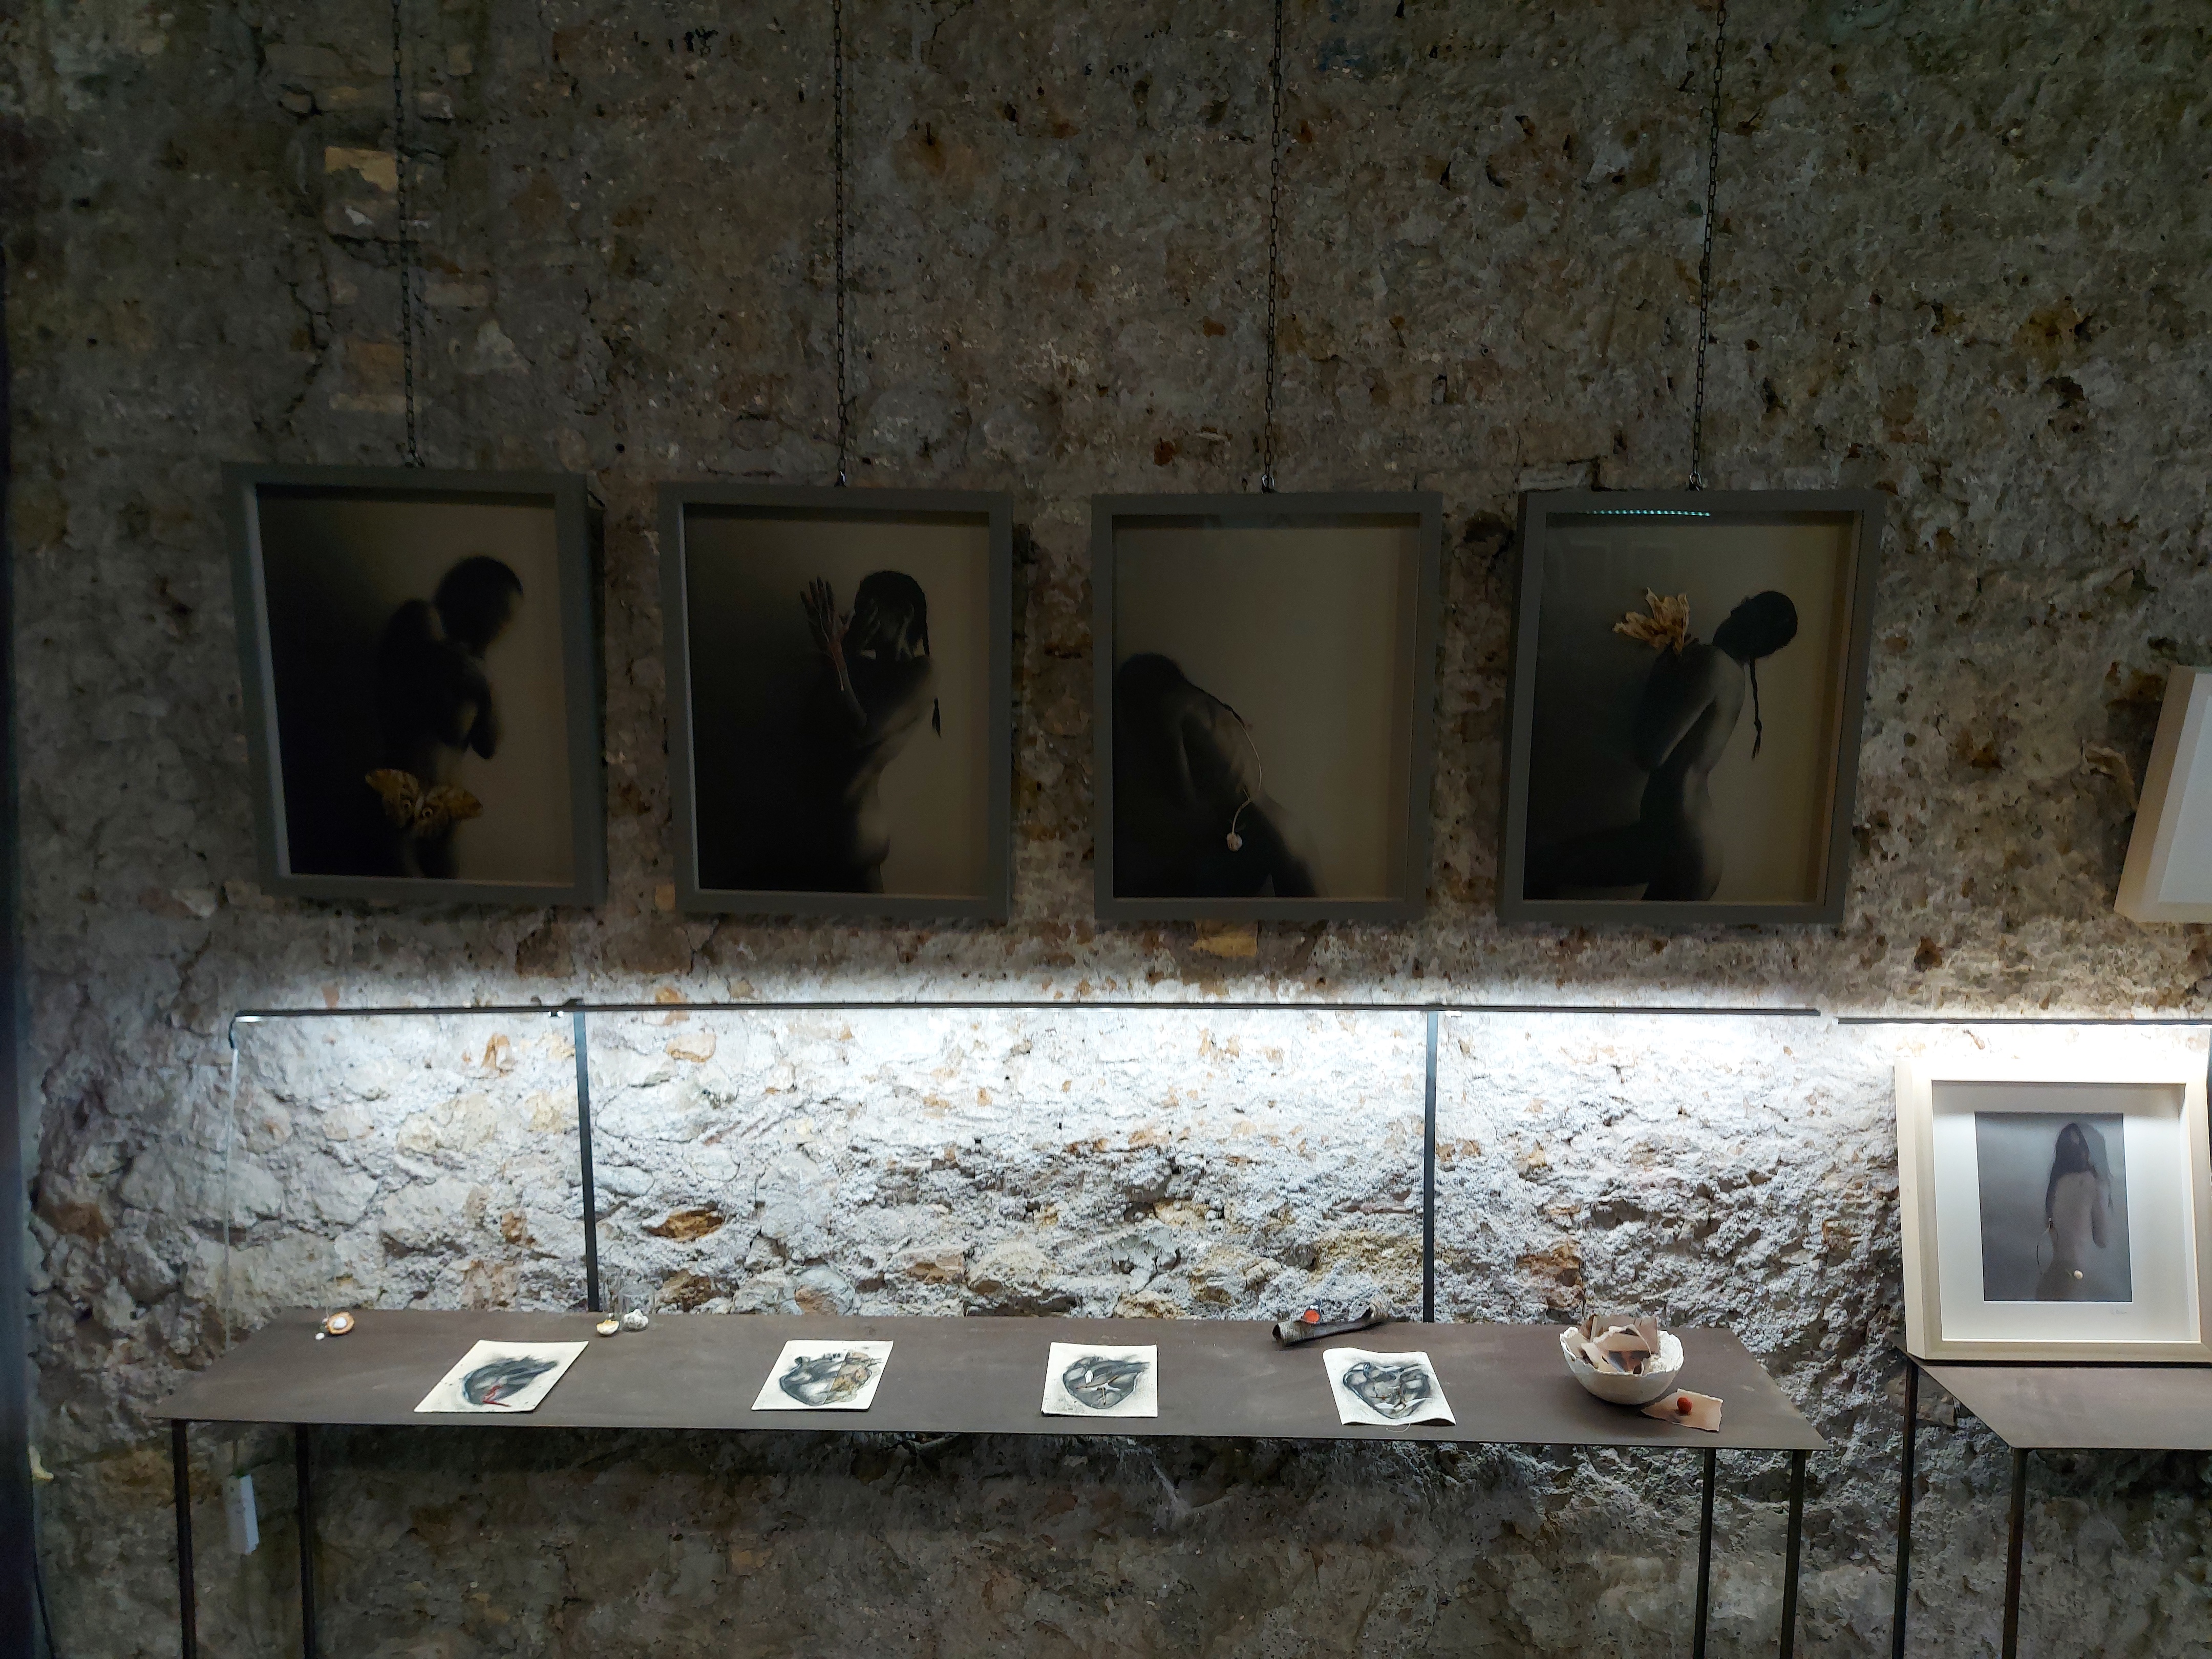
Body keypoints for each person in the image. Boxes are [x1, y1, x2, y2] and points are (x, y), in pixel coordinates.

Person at [1525, 590, 1798, 902]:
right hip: (1683, 844)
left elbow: (1650, 754)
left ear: (1746, 621)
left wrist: (1659, 679)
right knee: (1547, 867)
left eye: (1743, 609)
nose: (1732, 613)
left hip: (1677, 845)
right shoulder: (1734, 676)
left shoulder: (1712, 663)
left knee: (1543, 867)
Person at [773, 570, 939, 893]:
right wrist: (841, 653)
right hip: (815, 841)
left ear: (903, 613)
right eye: (857, 610)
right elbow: (809, 727)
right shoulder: (858, 667)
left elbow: (861, 733)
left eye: (868, 609)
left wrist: (838, 657)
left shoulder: (922, 671)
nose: (857, 619)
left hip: (856, 834)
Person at [1112, 652, 1318, 899]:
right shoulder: (1210, 706)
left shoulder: (1172, 712)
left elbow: (1184, 794)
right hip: (1269, 820)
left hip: (1250, 829)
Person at [371, 556, 524, 878]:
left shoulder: (475, 666)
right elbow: (448, 723)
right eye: (500, 612)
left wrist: (485, 692)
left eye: (509, 619)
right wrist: (480, 687)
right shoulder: (425, 619)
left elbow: (489, 746)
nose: (503, 627)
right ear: (476, 597)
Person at [2036, 1120, 2114, 1301]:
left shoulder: (2056, 1184)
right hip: (2076, 1276)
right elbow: (2103, 1240)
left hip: (2053, 1272)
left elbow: (2049, 1228)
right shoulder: (2091, 1183)